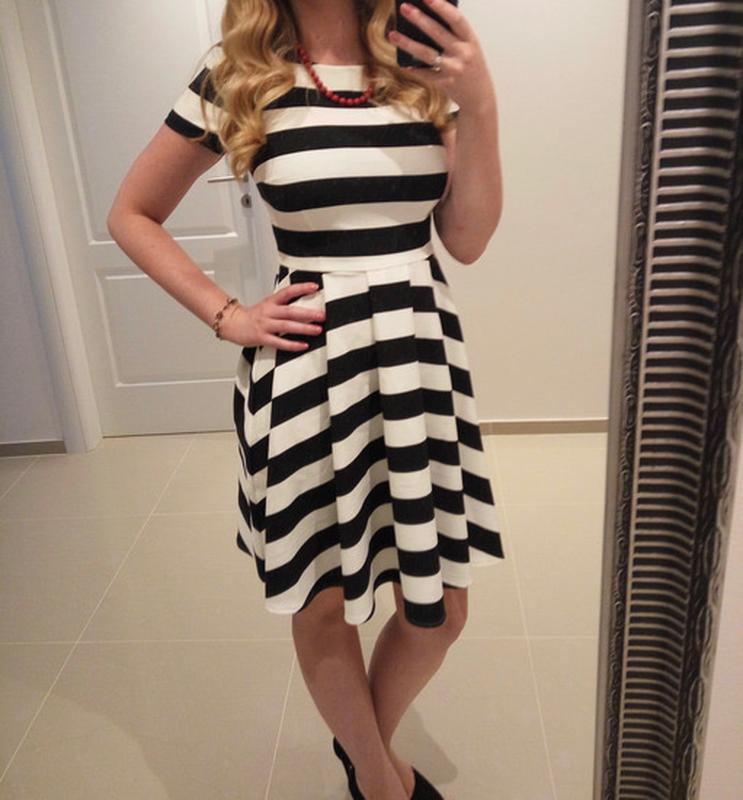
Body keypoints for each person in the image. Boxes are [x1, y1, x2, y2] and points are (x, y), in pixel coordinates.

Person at [107, 1, 504, 797]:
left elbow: (465, 238)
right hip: (307, 373)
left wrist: (482, 103)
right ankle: (378, 779)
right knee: (323, 602)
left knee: (439, 611)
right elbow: (131, 214)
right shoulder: (237, 73)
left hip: (417, 367)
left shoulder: (423, 60)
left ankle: (362, 746)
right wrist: (226, 314)